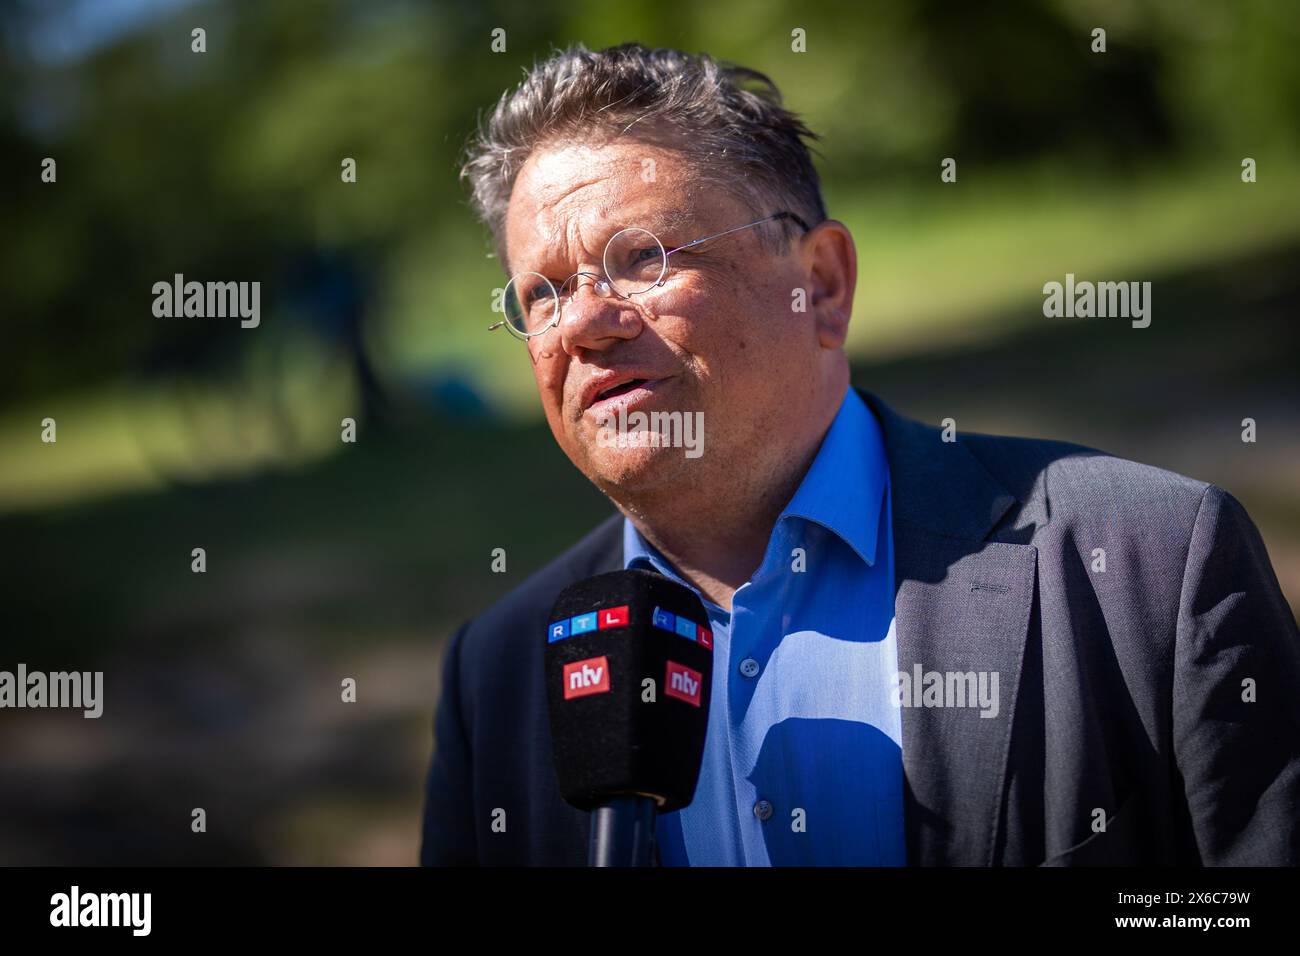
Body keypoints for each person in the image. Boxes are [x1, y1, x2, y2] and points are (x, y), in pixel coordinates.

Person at [420, 42, 1300, 866]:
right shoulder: (493, 680)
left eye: (642, 259)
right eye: (541, 294)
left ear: (822, 286)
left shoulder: (1148, 561)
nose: (580, 325)